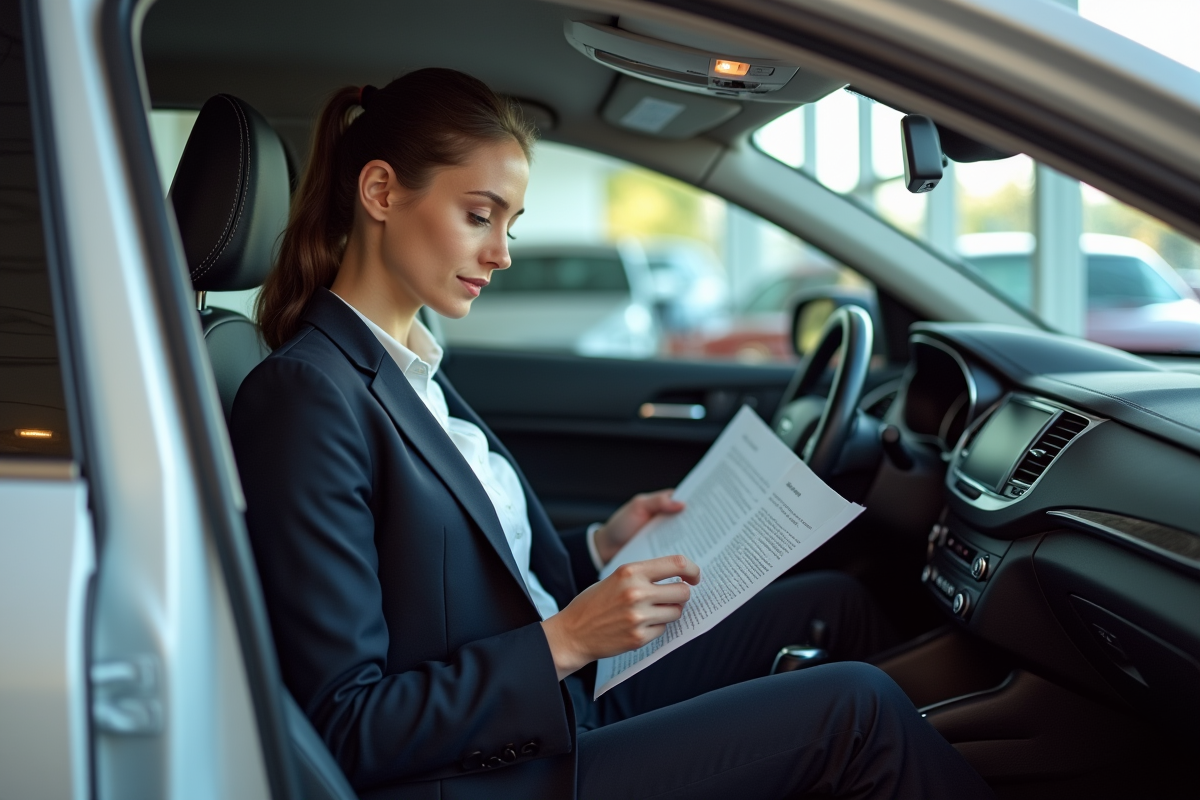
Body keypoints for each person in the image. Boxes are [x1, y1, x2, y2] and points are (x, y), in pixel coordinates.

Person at [232, 67, 994, 800]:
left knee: (833, 601)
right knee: (853, 713)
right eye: (479, 215)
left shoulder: (412, 367)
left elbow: (453, 578)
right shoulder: (307, 395)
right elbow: (345, 724)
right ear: (380, 191)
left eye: (510, 224)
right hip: (497, 770)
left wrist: (598, 545)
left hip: (560, 698)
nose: (500, 253)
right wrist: (566, 640)